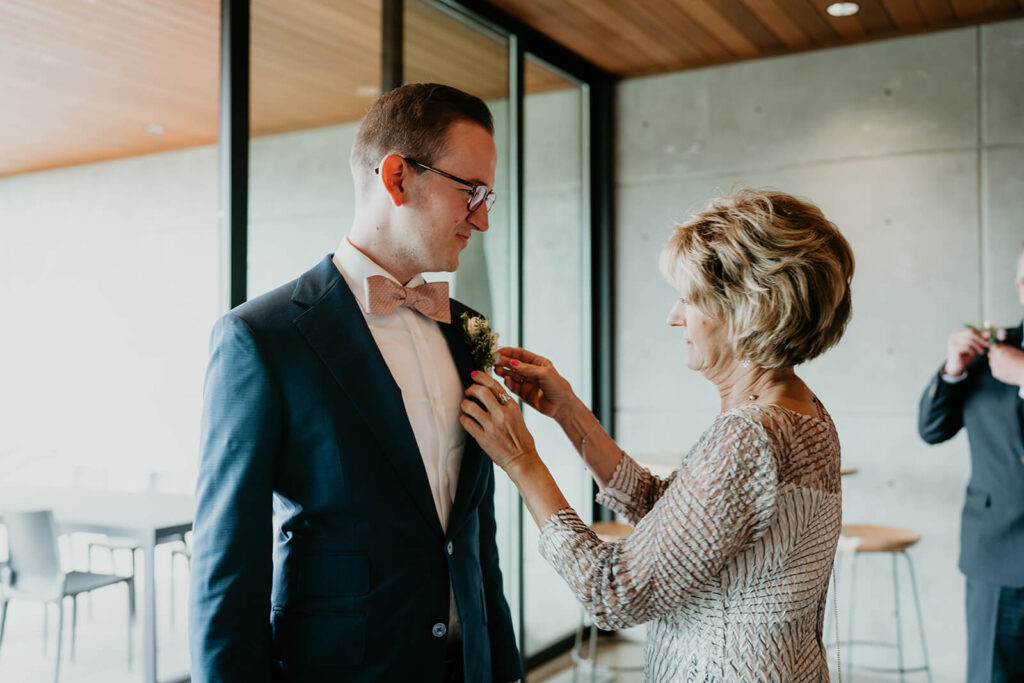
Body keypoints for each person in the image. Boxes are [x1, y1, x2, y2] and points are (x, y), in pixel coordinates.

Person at [189, 83, 522, 683]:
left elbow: (475, 532)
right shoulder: (262, 338)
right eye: (470, 191)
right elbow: (226, 564)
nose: (483, 218)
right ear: (397, 178)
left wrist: (502, 664)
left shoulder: (468, 328)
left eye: (488, 195)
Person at [460, 189, 854, 681]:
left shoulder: (750, 436)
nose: (674, 316)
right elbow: (679, 522)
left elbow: (613, 594)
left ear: (749, 306)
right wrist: (570, 413)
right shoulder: (804, 411)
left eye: (690, 298)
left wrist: (523, 462)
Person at [918, 245, 1024, 683]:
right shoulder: (989, 350)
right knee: (991, 674)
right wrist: (952, 370)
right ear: (1021, 287)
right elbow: (932, 429)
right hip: (998, 551)